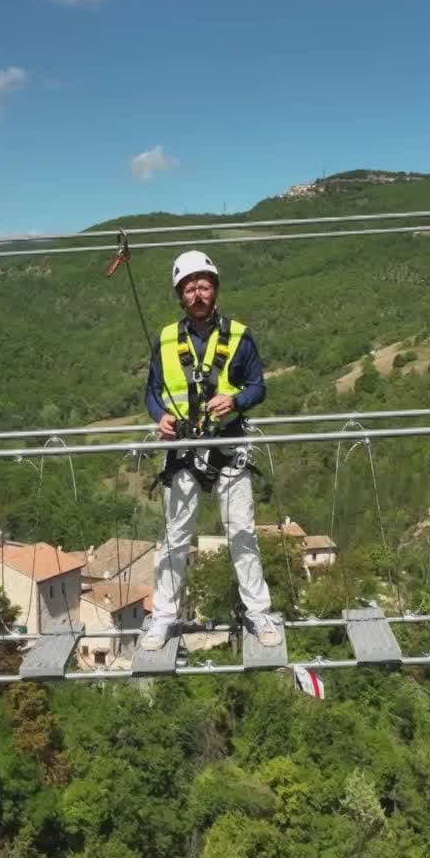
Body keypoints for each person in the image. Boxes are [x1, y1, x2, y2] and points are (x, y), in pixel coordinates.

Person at [140, 250, 281, 650]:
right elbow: (153, 390)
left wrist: (235, 402)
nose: (198, 294)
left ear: (215, 290)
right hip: (182, 446)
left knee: (242, 532)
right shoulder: (167, 339)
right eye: (190, 288)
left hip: (228, 442)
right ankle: (164, 616)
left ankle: (258, 612)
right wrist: (159, 416)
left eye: (204, 286)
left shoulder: (239, 335)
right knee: (175, 537)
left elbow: (258, 386)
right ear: (180, 295)